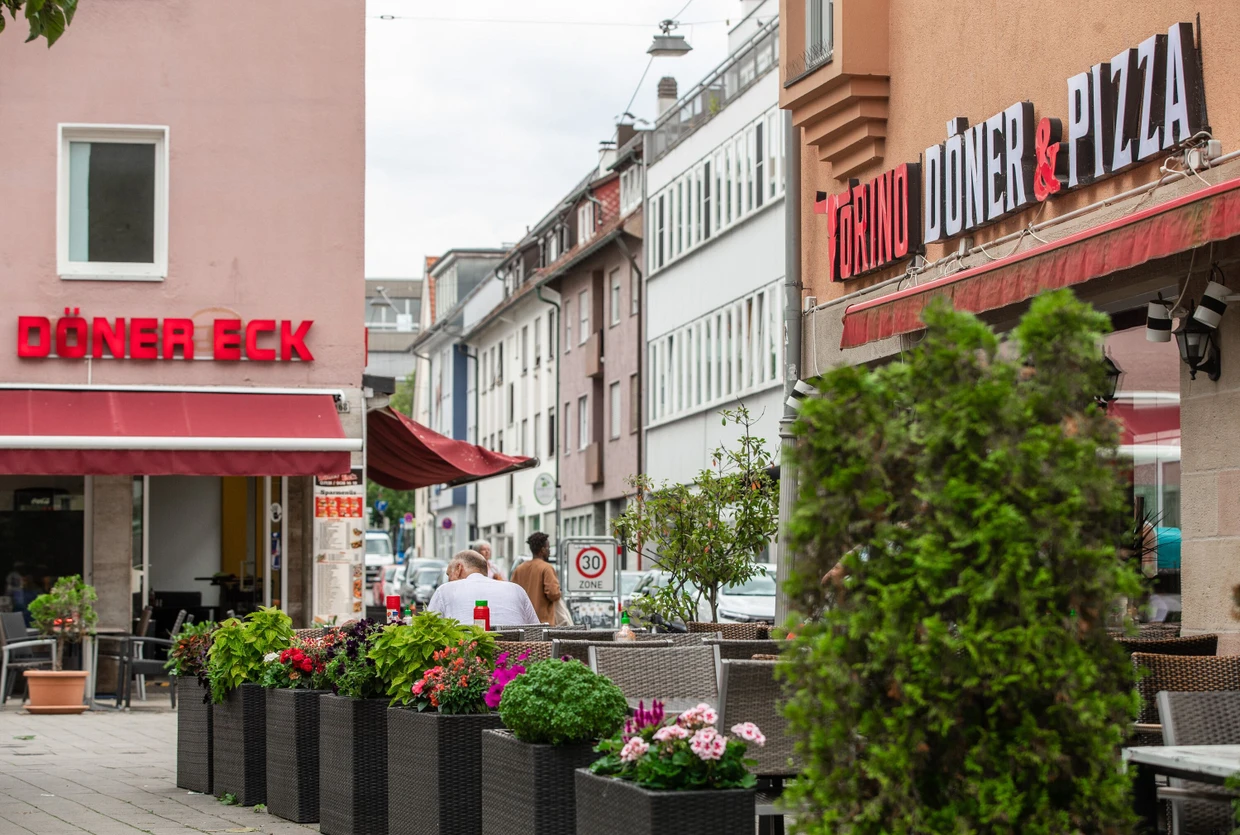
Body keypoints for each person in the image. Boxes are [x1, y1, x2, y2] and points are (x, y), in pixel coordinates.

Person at [427, 550, 539, 626]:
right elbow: (536, 630)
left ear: (459, 568)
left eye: (448, 574)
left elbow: (428, 631)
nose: (449, 579)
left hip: (464, 657)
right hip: (514, 658)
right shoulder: (516, 590)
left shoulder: (445, 590)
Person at [510, 532, 562, 626]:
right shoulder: (547, 568)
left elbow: (512, 594)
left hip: (523, 622)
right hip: (543, 623)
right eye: (548, 548)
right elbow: (553, 593)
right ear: (542, 550)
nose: (549, 551)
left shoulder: (519, 569)